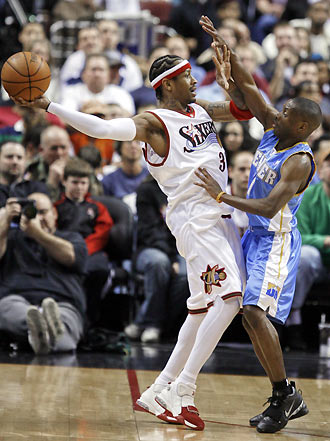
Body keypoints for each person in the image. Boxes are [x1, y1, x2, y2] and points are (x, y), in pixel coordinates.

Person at [10, 39, 253, 431]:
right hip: (197, 218)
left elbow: (244, 110)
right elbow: (102, 128)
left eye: (192, 74)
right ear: (166, 85)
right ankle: (184, 389)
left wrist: (230, 79)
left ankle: (159, 388)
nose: (193, 81)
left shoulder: (201, 110)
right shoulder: (152, 122)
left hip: (219, 214)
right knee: (230, 299)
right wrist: (49, 105)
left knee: (203, 307)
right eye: (185, 76)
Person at [196, 15, 323, 434]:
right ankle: (284, 392)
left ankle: (284, 394)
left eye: (286, 112)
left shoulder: (300, 160)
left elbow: (268, 208)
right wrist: (224, 47)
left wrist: (221, 195)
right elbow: (250, 88)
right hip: (253, 237)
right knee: (245, 313)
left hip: (276, 240)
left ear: (301, 126)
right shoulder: (274, 128)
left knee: (253, 311)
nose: (277, 112)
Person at [0, 192, 87, 355]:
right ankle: (43, 331)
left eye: (43, 212)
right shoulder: (11, 238)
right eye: (32, 212)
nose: (38, 218)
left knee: (64, 321)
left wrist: (38, 234)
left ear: (54, 213)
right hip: (17, 300)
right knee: (8, 309)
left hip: (62, 303)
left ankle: (40, 336)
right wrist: (4, 221)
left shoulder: (71, 237)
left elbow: (72, 257)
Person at [124, 174, 189, 343]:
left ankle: (150, 322)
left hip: (182, 248)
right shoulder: (147, 190)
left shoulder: (187, 187)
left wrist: (177, 255)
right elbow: (151, 231)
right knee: (159, 263)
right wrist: (172, 257)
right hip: (151, 248)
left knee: (185, 275)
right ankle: (153, 323)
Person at [54, 158, 113, 325]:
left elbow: (103, 231)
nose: (79, 187)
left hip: (90, 252)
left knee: (100, 270)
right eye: (74, 182)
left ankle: (91, 320)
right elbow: (52, 230)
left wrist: (84, 250)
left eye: (83, 183)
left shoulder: (97, 207)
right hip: (64, 251)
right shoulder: (56, 206)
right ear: (64, 181)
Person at [285, 149, 330, 349]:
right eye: (329, 164)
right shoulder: (307, 194)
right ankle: (293, 322)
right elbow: (299, 235)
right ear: (319, 170)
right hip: (318, 262)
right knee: (303, 256)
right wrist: (325, 241)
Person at [25, 125, 71, 202]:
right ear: (41, 149)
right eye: (54, 148)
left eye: (63, 147)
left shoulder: (79, 167)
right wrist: (52, 184)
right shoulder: (30, 169)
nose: (59, 153)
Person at [102, 140, 149, 214]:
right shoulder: (108, 181)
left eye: (137, 142)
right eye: (129, 142)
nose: (133, 146)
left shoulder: (152, 178)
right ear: (119, 147)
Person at [0, 141, 48, 208]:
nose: (15, 161)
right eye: (9, 157)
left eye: (19, 157)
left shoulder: (38, 189)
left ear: (25, 161)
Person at [226, 151, 253, 237]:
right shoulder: (218, 197)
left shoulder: (264, 198)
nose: (247, 174)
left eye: (251, 169)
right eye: (242, 169)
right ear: (230, 171)